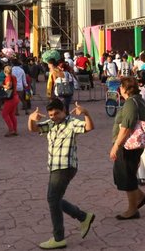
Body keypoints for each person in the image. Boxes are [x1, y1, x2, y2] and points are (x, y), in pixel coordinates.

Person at [28, 99, 95, 250]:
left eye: (57, 113)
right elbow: (34, 129)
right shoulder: (51, 124)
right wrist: (31, 119)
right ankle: (83, 217)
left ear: (64, 111)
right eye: (51, 114)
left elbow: (89, 127)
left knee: (53, 199)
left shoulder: (71, 122)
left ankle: (59, 238)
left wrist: (86, 113)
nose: (54, 116)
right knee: (54, 199)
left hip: (65, 166)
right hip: (55, 167)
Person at [109, 76, 145, 220]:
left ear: (126, 88)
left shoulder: (131, 103)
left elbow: (126, 127)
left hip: (128, 145)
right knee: (125, 174)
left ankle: (132, 209)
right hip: (134, 144)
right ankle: (140, 196)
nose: (119, 89)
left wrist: (116, 145)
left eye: (121, 86)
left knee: (127, 175)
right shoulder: (138, 100)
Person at [0, 65, 20, 137]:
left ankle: (11, 129)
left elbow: (9, 86)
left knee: (4, 114)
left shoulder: (8, 77)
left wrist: (2, 85)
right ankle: (14, 129)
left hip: (10, 98)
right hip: (15, 96)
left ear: (5, 71)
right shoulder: (13, 77)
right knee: (11, 114)